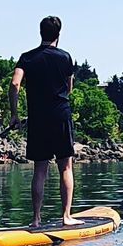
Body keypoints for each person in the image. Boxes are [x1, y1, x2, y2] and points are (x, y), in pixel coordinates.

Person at [10, 15, 81, 229]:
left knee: (40, 169)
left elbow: (15, 84)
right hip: (60, 115)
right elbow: (69, 88)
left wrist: (14, 114)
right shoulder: (65, 57)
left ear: (40, 33)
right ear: (58, 35)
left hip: (38, 119)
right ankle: (66, 216)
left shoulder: (27, 58)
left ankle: (36, 219)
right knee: (65, 167)